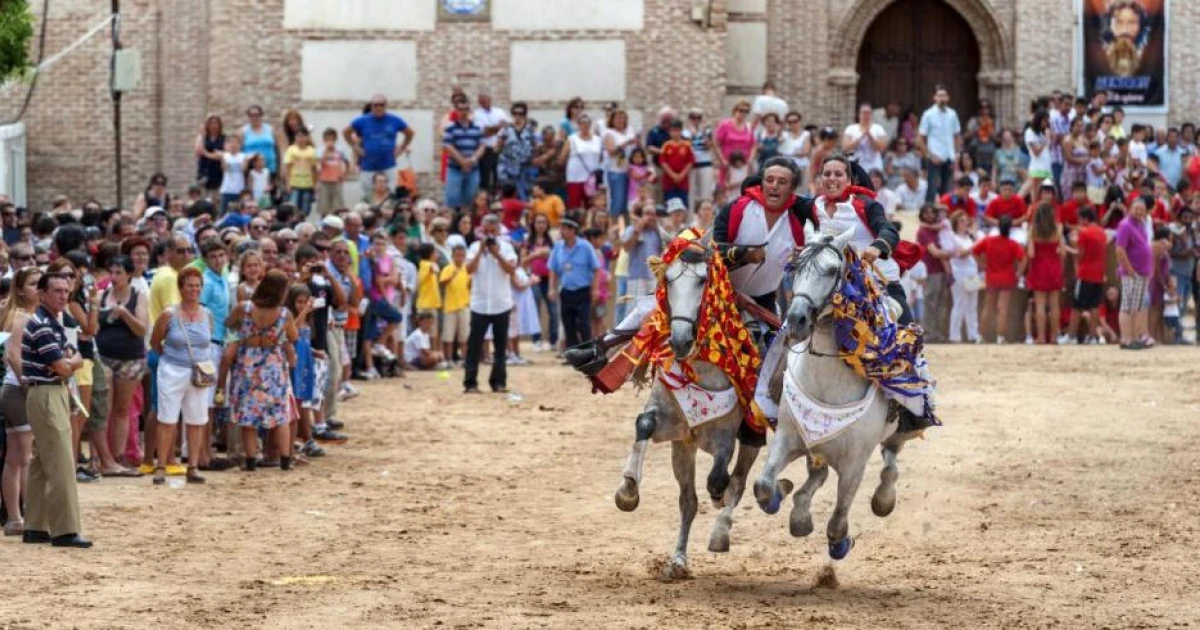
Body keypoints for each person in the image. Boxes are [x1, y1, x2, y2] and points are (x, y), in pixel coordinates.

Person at [19, 272, 91, 548]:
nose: (63, 295)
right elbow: (65, 365)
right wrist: (71, 362)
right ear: (43, 294)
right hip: (48, 392)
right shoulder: (44, 326)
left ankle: (35, 525)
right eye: (57, 291)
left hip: (45, 392)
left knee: (40, 463)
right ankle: (65, 530)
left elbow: (71, 358)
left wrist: (69, 361)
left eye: (66, 290)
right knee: (61, 463)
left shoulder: (48, 322)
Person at [221, 270, 298, 469]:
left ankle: (250, 460)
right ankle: (285, 459)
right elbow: (293, 336)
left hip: (248, 364)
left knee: (249, 416)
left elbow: (229, 324)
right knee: (280, 414)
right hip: (273, 365)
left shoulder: (244, 308)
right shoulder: (284, 314)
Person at [148, 267, 211, 485]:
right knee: (167, 418)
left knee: (197, 419)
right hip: (173, 369)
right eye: (190, 285)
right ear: (181, 288)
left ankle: (192, 465)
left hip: (198, 371)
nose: (194, 289)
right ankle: (161, 465)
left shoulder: (206, 314)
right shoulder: (169, 314)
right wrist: (169, 359)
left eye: (197, 285)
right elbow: (155, 341)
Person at [96, 255, 149, 469]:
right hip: (104, 356)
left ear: (129, 275)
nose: (114, 277)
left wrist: (125, 313)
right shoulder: (101, 295)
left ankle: (117, 456)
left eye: (119, 273)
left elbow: (141, 328)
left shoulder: (139, 296)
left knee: (121, 409)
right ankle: (103, 458)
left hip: (130, 358)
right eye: (112, 272)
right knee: (104, 408)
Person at [2, 268, 42, 534]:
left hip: (10, 389)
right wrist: (28, 385)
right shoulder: (23, 316)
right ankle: (29, 515)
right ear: (21, 289)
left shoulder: (13, 313)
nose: (38, 288)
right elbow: (13, 357)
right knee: (25, 457)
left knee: (15, 457)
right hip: (17, 389)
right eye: (34, 284)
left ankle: (17, 518)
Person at [463, 215, 518, 394]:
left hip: (501, 304)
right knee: (474, 346)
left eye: (492, 232)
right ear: (482, 230)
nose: (489, 235)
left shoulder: (507, 248)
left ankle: (498, 382)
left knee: (500, 346)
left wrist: (496, 254)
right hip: (479, 304)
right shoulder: (473, 248)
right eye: (486, 231)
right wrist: (480, 251)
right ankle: (470, 383)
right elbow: (469, 270)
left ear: (499, 231)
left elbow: (510, 270)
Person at [343, 94, 415, 196]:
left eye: (382, 105)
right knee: (367, 197)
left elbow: (410, 133)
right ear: (372, 106)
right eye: (376, 105)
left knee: (390, 195)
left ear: (386, 106)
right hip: (368, 166)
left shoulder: (394, 120)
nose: (379, 108)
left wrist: (402, 147)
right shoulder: (362, 121)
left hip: (388, 165)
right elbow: (346, 132)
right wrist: (355, 147)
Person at [549, 218, 601, 350]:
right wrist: (551, 288)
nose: (562, 231)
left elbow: (596, 269)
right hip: (566, 290)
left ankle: (588, 352)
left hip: (583, 290)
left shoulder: (585, 246)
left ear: (573, 230)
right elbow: (553, 269)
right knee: (568, 323)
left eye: (565, 228)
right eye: (561, 228)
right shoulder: (558, 247)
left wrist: (595, 289)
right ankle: (573, 353)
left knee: (584, 323)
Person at [973, 215, 1026, 343]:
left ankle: (980, 336)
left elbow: (974, 251)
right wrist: (1019, 272)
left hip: (991, 276)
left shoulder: (988, 240)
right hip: (1007, 277)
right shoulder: (1013, 244)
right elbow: (1023, 258)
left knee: (988, 307)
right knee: (1003, 307)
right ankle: (1000, 336)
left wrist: (982, 264)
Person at [1026, 203, 1070, 344]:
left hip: (1039, 267)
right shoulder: (1057, 229)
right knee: (1054, 304)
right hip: (1054, 266)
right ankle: (1054, 337)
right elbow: (1063, 252)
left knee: (1040, 304)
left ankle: (1041, 337)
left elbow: (1031, 254)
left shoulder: (1033, 230)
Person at [1115, 195, 1153, 349]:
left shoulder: (1141, 225)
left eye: (1142, 210)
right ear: (1131, 208)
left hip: (1141, 273)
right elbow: (1119, 249)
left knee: (1136, 306)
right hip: (1132, 272)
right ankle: (1126, 338)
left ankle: (1133, 337)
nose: (1139, 212)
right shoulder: (1125, 225)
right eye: (1136, 209)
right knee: (1128, 305)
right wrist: (1129, 269)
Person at [1068, 207, 1110, 343]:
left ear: (1085, 219)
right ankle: (1091, 337)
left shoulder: (1085, 233)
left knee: (1077, 306)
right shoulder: (1102, 233)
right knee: (1094, 307)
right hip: (1098, 274)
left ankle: (1071, 336)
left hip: (1085, 273)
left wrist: (1067, 248)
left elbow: (1080, 255)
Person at [917, 84, 962, 201]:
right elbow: (921, 138)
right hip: (935, 157)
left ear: (948, 98)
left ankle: (944, 215)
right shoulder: (928, 114)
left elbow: (957, 135)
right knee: (932, 188)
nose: (941, 98)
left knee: (947, 189)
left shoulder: (952, 114)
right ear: (934, 98)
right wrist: (929, 155)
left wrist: (957, 155)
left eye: (944, 96)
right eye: (939, 95)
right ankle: (929, 214)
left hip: (949, 156)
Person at [945, 210, 981, 343]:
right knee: (960, 303)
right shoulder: (953, 237)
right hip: (959, 272)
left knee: (973, 304)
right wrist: (977, 245)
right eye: (962, 221)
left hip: (972, 272)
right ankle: (954, 335)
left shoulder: (970, 238)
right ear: (956, 223)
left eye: (966, 221)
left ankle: (973, 335)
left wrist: (975, 239)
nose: (965, 223)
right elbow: (961, 254)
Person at [916, 204, 950, 342]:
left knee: (942, 304)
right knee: (930, 303)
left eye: (932, 212)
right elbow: (935, 252)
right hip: (931, 271)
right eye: (927, 213)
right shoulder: (923, 232)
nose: (930, 215)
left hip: (942, 270)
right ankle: (929, 333)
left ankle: (939, 334)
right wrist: (953, 252)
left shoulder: (938, 229)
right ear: (922, 215)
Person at [443, 100, 486, 211]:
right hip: (455, 168)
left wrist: (472, 160)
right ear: (456, 111)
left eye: (466, 109)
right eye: (461, 109)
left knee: (471, 200)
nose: (463, 112)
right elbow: (448, 146)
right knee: (452, 200)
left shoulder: (477, 127)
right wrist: (462, 161)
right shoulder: (450, 127)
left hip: (473, 169)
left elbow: (482, 146)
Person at [561, 114, 603, 211]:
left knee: (592, 205)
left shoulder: (598, 139)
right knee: (574, 205)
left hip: (592, 178)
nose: (585, 125)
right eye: (582, 123)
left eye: (587, 123)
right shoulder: (572, 139)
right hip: (575, 177)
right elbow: (562, 157)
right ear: (578, 125)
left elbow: (601, 157)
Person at [473, 89, 510, 193]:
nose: (484, 101)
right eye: (481, 100)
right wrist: (498, 126)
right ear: (479, 102)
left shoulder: (499, 111)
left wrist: (494, 130)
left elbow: (507, 126)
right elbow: (484, 132)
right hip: (485, 149)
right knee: (485, 177)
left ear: (490, 99)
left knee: (498, 177)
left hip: (500, 147)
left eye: (486, 98)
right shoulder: (476, 114)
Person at [684, 108, 718, 209]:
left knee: (706, 194)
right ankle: (690, 220)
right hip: (691, 165)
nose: (696, 120)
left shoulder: (706, 131)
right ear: (689, 118)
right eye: (693, 117)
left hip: (705, 164)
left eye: (699, 117)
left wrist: (702, 133)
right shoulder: (685, 132)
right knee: (691, 194)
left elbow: (709, 146)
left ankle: (706, 218)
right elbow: (687, 146)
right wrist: (693, 134)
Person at [842, 102, 889, 172]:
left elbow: (881, 148)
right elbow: (846, 147)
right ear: (859, 114)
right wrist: (862, 136)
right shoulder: (850, 128)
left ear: (871, 114)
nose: (866, 115)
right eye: (864, 113)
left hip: (874, 166)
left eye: (868, 113)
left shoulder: (879, 129)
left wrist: (870, 136)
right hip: (855, 165)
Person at [283, 127, 319, 217]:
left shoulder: (312, 151)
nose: (301, 139)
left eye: (303, 136)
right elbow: (287, 168)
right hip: (294, 183)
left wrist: (315, 184)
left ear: (307, 137)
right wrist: (287, 183)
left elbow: (314, 169)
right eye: (299, 136)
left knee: (305, 208)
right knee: (293, 207)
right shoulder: (291, 150)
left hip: (307, 184)